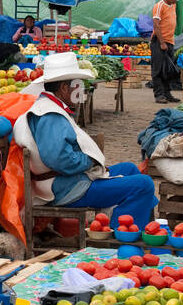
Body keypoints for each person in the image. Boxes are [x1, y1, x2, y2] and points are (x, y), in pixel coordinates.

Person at [12, 52, 157, 229]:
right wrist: (89, 161)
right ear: (65, 88)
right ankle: (122, 237)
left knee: (129, 168)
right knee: (143, 185)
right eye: (78, 86)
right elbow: (60, 160)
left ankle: (144, 227)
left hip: (67, 180)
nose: (81, 91)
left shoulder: (52, 109)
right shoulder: (50, 116)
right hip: (64, 188)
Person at [149, 0, 182, 103]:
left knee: (168, 70)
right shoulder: (159, 6)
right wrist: (162, 43)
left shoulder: (173, 5)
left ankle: (167, 94)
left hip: (170, 41)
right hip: (159, 41)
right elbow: (156, 25)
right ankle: (159, 95)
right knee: (157, 70)